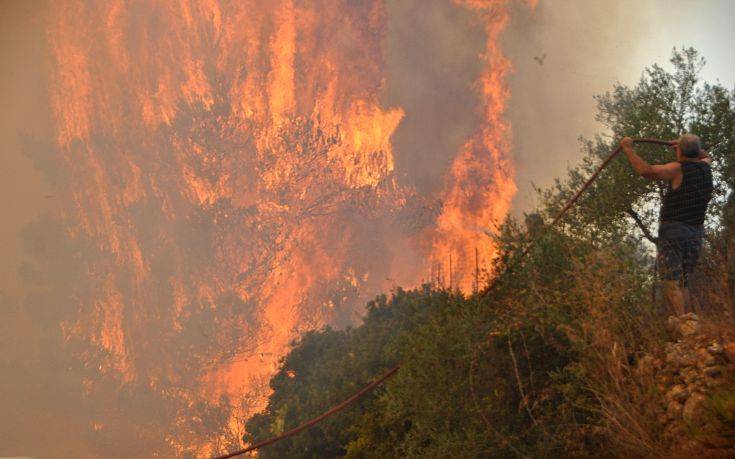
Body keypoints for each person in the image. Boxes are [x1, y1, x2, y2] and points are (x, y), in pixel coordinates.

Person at [620, 134, 713, 316]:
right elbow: (705, 155)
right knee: (684, 282)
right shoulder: (705, 166)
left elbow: (646, 171)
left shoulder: (677, 169)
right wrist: (686, 147)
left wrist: (628, 149)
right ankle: (689, 323)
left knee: (671, 281)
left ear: (681, 151)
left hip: (674, 231)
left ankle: (684, 325)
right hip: (695, 232)